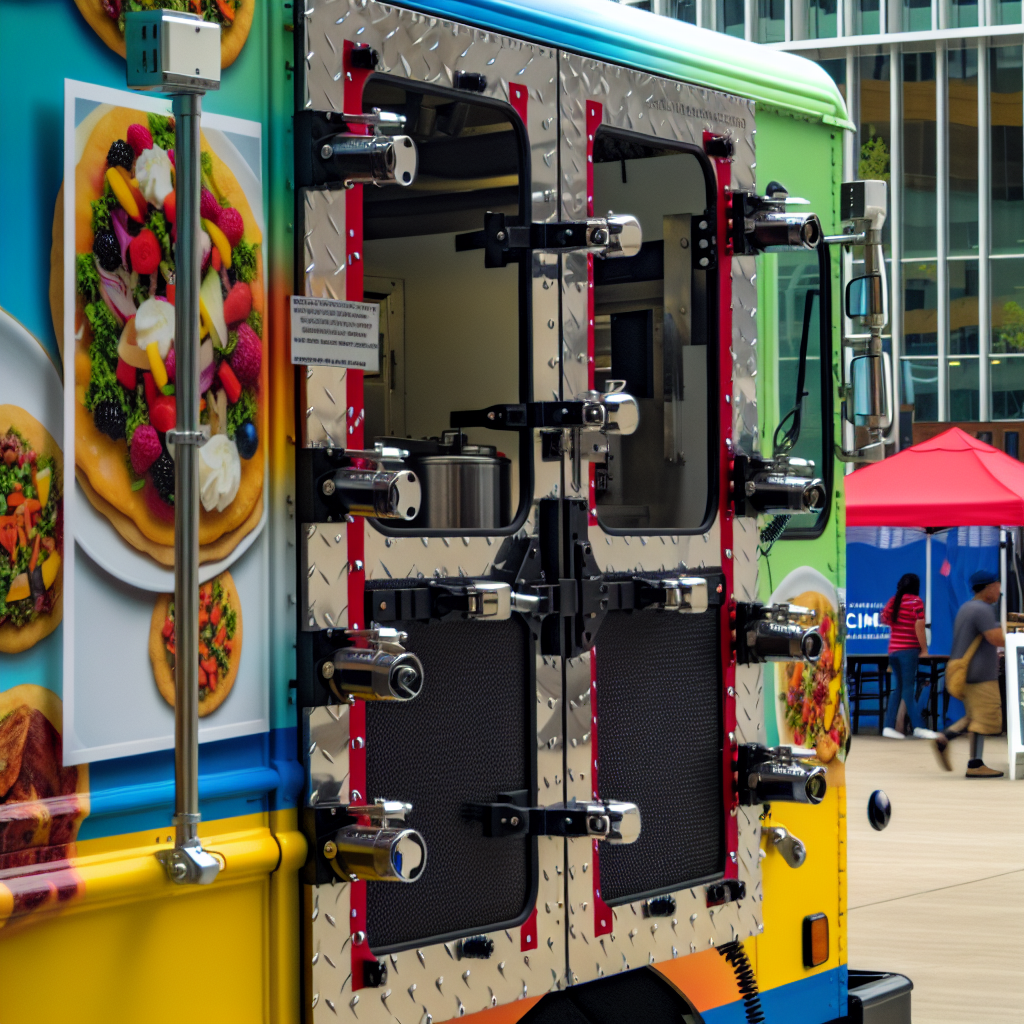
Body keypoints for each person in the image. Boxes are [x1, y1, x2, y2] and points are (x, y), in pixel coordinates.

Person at [934, 569, 1005, 778]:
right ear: (989, 587)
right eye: (997, 587)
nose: (999, 592)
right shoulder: (982, 609)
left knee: (975, 717)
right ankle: (974, 764)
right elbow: (995, 638)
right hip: (979, 673)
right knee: (985, 719)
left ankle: (948, 740)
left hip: (965, 671)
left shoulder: (967, 607)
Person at [879, 573, 939, 740]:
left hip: (893, 651)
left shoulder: (893, 601)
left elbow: (884, 618)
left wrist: (898, 624)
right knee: (907, 689)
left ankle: (888, 726)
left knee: (898, 689)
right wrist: (924, 649)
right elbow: (920, 625)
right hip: (908, 651)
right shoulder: (916, 601)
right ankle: (919, 726)